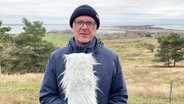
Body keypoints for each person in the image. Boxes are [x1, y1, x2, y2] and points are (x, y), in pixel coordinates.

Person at [39, 4, 128, 104]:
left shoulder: (111, 58)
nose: (84, 27)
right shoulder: (56, 57)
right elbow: (47, 96)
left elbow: (119, 97)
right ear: (72, 26)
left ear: (96, 27)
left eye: (90, 23)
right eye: (79, 22)